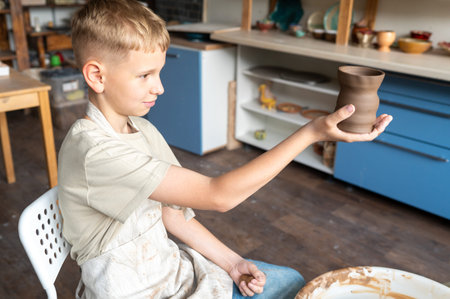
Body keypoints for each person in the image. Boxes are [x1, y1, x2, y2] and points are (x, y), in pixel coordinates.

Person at [57, 0, 393, 298]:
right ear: (97, 76)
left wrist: (233, 263)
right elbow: (219, 195)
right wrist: (311, 133)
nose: (159, 87)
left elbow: (170, 212)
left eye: (158, 72)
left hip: (169, 273)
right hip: (133, 289)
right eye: (145, 75)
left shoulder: (140, 128)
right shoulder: (95, 152)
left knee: (291, 280)